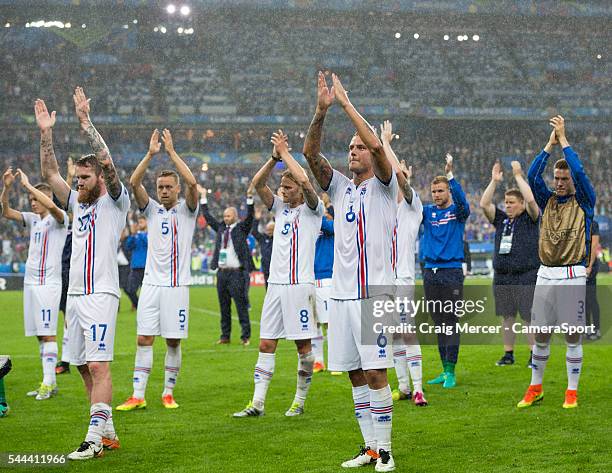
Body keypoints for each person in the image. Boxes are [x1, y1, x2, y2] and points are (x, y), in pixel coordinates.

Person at [303, 72, 398, 472]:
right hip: (341, 295)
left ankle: (388, 451)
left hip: (374, 294)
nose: (355, 152)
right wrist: (322, 111)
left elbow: (378, 145)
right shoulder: (341, 187)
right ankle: (370, 447)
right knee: (355, 374)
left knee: (376, 371)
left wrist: (345, 103)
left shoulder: (385, 184)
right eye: (351, 148)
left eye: (359, 147)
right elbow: (310, 154)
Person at [37, 89, 129, 460]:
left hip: (102, 294)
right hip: (74, 296)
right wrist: (47, 132)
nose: (78, 182)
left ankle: (92, 441)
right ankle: (107, 432)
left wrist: (85, 122)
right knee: (79, 364)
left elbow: (106, 159)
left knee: (97, 364)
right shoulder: (76, 201)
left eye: (85, 177)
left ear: (101, 179)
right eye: (77, 177)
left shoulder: (114, 201)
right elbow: (49, 173)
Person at [233, 130, 323, 418]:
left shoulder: (313, 209)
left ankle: (299, 400)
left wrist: (286, 155)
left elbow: (308, 183)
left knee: (303, 348)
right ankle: (257, 403)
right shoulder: (280, 209)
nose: (282, 190)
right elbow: (256, 184)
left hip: (299, 286)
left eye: (287, 185)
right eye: (281, 186)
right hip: (275, 285)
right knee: (266, 343)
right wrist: (274, 159)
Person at [117, 129, 198, 412]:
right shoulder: (151, 210)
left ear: (176, 189)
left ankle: (168, 392)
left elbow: (193, 183)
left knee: (173, 341)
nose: (163, 191)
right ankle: (138, 394)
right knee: (144, 338)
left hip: (176, 287)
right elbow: (133, 181)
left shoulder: (188, 211)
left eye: (168, 187)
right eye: (160, 187)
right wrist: (151, 154)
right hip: (151, 285)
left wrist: (172, 153)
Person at [519, 116, 595, 409]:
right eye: (558, 179)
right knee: (540, 333)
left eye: (565, 179)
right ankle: (535, 387)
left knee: (572, 334)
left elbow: (579, 169)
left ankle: (571, 391)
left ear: (573, 181)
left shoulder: (585, 201)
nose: (560, 183)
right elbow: (532, 174)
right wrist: (548, 145)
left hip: (573, 273)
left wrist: (564, 141)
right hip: (545, 274)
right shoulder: (547, 199)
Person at [1, 167, 68, 400]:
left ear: (47, 198)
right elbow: (6, 211)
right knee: (40, 334)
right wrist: (8, 188)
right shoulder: (33, 220)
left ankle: (49, 384)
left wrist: (29, 185)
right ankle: (48, 381)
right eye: (30, 200)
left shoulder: (60, 219)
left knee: (48, 333)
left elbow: (52, 208)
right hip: (31, 283)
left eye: (35, 199)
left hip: (49, 284)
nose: (32, 203)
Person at [380, 120, 427, 407]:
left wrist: (385, 143)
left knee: (407, 331)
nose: (400, 179)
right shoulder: (386, 207)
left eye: (404, 176)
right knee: (392, 333)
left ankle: (419, 388)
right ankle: (404, 386)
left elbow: (397, 174)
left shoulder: (413, 207)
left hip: (404, 280)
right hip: (383, 281)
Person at [480, 161, 539, 367]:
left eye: (512, 202)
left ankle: (534, 355)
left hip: (526, 275)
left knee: (528, 317)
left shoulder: (531, 219)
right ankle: (508, 354)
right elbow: (484, 204)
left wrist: (518, 176)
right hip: (503, 276)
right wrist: (494, 182)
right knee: (507, 317)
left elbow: (531, 200)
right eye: (506, 202)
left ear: (521, 204)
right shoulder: (502, 220)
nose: (507, 205)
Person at [421, 153, 470, 390]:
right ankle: (443, 369)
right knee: (438, 323)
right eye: (434, 191)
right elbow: (406, 204)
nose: (437, 195)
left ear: (448, 191)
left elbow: (465, 204)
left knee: (450, 322)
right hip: (430, 271)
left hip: (451, 272)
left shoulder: (457, 213)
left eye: (441, 190)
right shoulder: (427, 212)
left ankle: (451, 371)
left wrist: (450, 175)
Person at [201, 183, 254, 345]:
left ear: (236, 216)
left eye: (228, 216)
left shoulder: (241, 228)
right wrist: (203, 198)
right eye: (224, 216)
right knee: (224, 307)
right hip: (222, 273)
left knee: (240, 306)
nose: (225, 218)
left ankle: (245, 336)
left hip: (237, 273)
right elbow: (208, 217)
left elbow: (251, 216)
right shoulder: (221, 229)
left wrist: (250, 198)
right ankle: (225, 336)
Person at [57, 157, 76, 375]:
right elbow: (65, 200)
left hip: (71, 273)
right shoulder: (62, 222)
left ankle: (67, 360)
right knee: (67, 318)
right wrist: (68, 175)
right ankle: (67, 359)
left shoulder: (79, 223)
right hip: (60, 272)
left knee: (70, 318)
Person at [312, 198, 334, 374]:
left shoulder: (332, 229)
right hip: (309, 279)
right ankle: (318, 361)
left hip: (326, 279)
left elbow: (327, 225)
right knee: (314, 323)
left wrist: (319, 207)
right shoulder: (312, 227)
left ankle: (335, 360)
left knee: (329, 322)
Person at [123, 215, 148, 310]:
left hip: (146, 267)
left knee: (147, 291)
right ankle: (138, 305)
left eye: (142, 222)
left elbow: (148, 243)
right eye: (139, 222)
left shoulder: (149, 234)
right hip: (136, 266)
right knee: (129, 289)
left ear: (147, 223)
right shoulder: (136, 235)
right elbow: (128, 246)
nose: (139, 224)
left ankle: (145, 307)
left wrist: (140, 234)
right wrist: (133, 235)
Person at [251, 206, 274, 288]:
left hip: (277, 269)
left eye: (271, 230)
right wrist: (256, 219)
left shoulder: (278, 239)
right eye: (268, 230)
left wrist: (275, 216)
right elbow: (254, 232)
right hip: (266, 269)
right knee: (268, 291)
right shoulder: (263, 238)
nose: (269, 231)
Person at [585, 220, 601, 340]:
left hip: (589, 265)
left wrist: (589, 266)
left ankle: (596, 329)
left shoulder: (593, 224)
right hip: (579, 265)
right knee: (582, 300)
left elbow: (594, 245)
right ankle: (586, 329)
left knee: (591, 298)